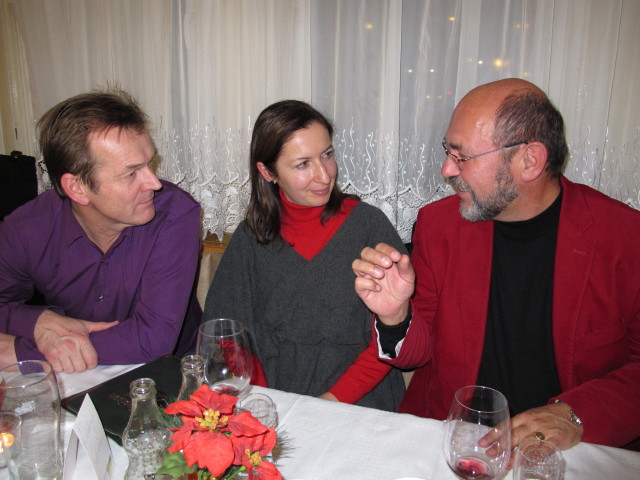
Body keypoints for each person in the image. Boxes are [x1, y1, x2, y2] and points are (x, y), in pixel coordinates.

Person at [353, 78, 640, 449]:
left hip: (567, 453)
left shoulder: (624, 237)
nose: (447, 171)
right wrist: (396, 316)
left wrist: (576, 414)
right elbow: (418, 354)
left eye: (462, 156)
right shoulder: (439, 225)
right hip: (454, 437)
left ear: (529, 160)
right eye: (447, 151)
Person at [203, 100, 406, 410]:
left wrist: (329, 402)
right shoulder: (251, 237)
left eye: (327, 155)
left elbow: (392, 336)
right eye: (303, 164)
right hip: (274, 398)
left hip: (360, 400)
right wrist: (265, 401)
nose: (324, 176)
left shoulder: (368, 226)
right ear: (267, 171)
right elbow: (227, 335)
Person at [0, 89, 202, 373]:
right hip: (76, 374)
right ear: (77, 188)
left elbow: (153, 339)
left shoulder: (174, 215)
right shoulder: (27, 229)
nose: (154, 183)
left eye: (149, 163)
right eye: (131, 173)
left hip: (169, 372)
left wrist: (20, 352)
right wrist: (37, 322)